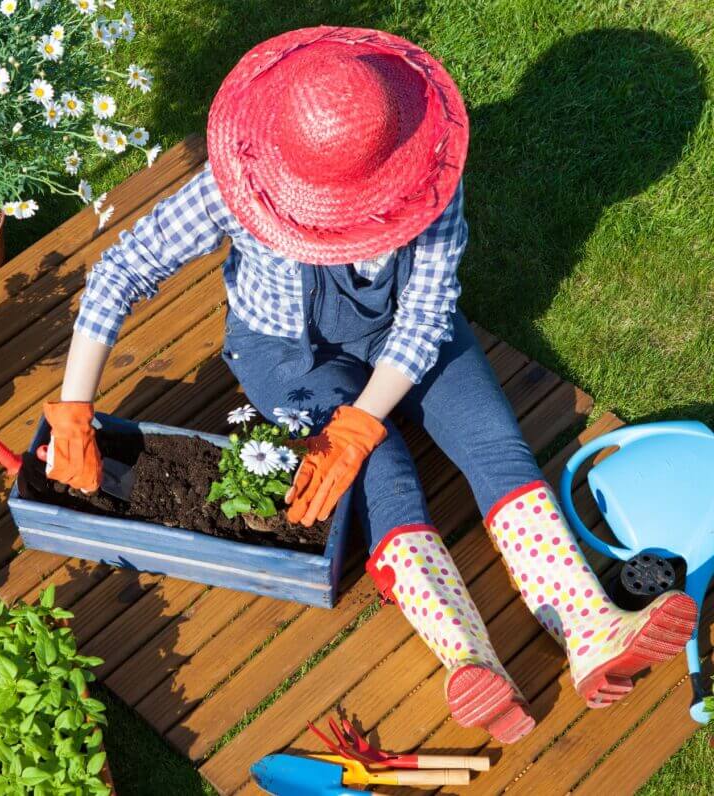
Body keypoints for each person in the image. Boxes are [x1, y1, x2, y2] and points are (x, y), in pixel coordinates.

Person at [41, 26, 696, 744]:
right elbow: (123, 270)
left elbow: (424, 316)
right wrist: (75, 408)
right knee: (384, 476)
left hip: (404, 338)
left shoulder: (427, 180)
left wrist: (357, 423)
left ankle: (592, 628)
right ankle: (469, 659)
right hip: (284, 354)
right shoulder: (241, 183)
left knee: (494, 443)